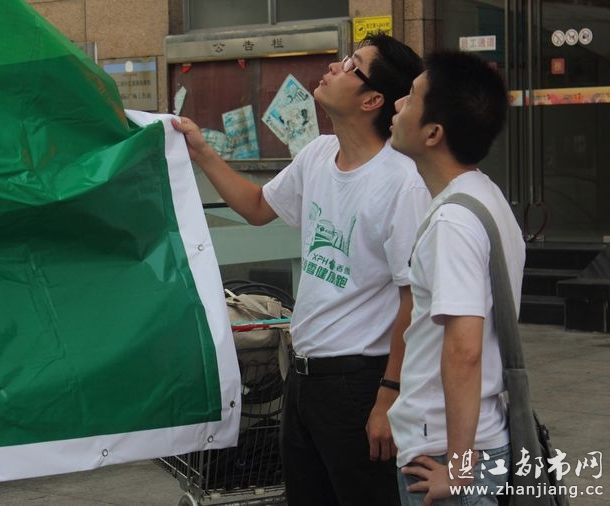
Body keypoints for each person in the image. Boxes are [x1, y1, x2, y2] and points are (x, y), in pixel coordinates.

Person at [172, 33, 428, 506]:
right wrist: (203, 152)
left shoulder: (403, 181)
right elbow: (257, 206)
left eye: (351, 65)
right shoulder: (317, 155)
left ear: (372, 100)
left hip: (360, 382)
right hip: (304, 376)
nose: (334, 66)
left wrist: (389, 395)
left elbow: (413, 300)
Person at [387, 51, 526, 505]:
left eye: (411, 97)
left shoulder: (452, 221)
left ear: (434, 133)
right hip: (470, 440)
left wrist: (460, 469)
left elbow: (464, 349)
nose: (397, 105)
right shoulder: (486, 196)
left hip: (448, 451)